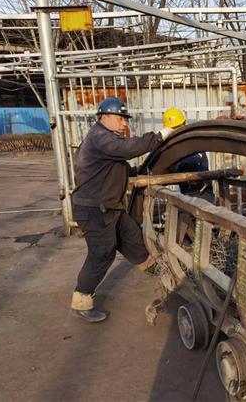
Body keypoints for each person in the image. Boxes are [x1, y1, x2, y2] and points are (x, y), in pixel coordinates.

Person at [70, 97, 172, 323]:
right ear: (104, 117)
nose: (125, 124)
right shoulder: (100, 138)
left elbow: (122, 169)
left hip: (110, 207)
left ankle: (163, 275)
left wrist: (148, 173)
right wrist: (159, 136)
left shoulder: (106, 142)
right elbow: (127, 149)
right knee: (102, 253)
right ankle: (81, 300)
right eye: (121, 119)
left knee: (133, 239)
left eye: (126, 119)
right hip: (94, 209)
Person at [162, 107, 211, 196]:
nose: (175, 131)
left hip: (201, 192)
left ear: (184, 124)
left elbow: (194, 161)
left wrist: (173, 165)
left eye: (177, 127)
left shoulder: (191, 142)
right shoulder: (175, 145)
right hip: (187, 193)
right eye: (172, 128)